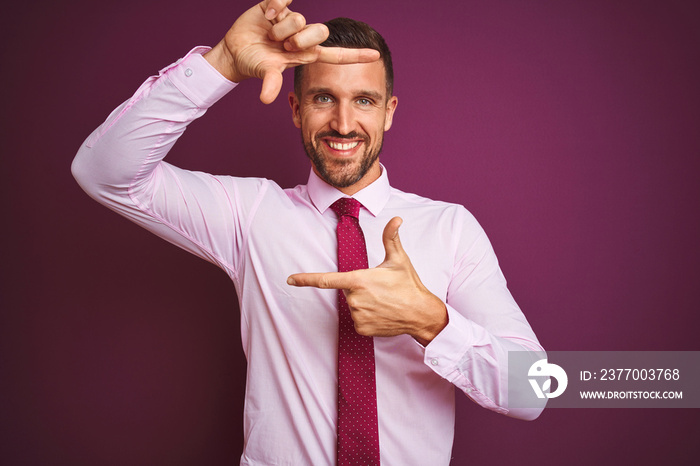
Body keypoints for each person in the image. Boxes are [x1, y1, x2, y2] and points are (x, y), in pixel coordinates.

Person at [72, 0, 545, 464]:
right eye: (324, 98)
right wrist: (223, 64)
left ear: (389, 111)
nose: (343, 124)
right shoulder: (251, 214)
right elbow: (103, 171)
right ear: (296, 109)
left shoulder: (451, 229)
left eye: (364, 100)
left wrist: (429, 321)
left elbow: (533, 390)